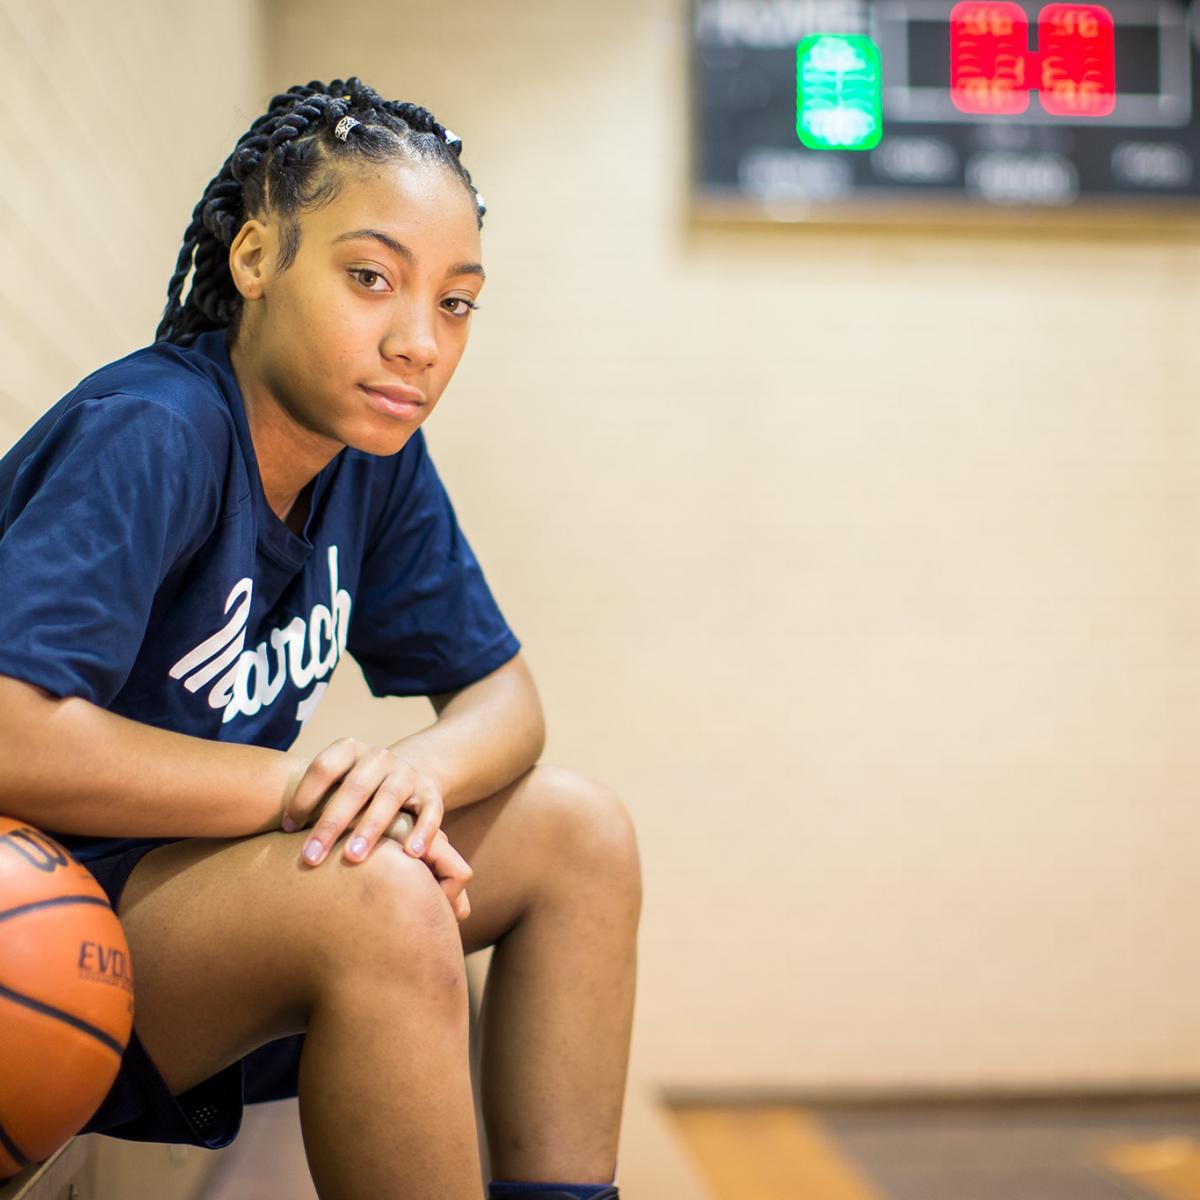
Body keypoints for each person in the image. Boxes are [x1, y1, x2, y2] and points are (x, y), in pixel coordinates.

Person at [0, 77, 641, 1200]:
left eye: (457, 303)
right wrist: (296, 788)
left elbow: (508, 704)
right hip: (39, 925)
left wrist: (391, 784)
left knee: (577, 835)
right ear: (254, 259)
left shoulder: (370, 465)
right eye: (371, 278)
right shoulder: (155, 430)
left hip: (177, 900)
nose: (419, 342)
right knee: (381, 898)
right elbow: (11, 736)